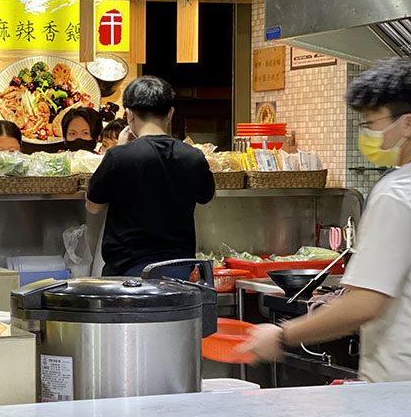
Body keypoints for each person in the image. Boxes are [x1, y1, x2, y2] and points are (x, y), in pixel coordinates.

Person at [242, 58, 411, 383]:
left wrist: (281, 336)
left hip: (397, 391)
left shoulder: (396, 193)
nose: (369, 134)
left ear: (407, 124)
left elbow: (365, 302)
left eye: (373, 122)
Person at [85, 76, 215, 277]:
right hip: (179, 272)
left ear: (128, 115)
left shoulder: (119, 156)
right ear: (170, 113)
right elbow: (206, 197)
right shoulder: (193, 157)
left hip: (127, 275)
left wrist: (121, 149)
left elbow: (93, 207)